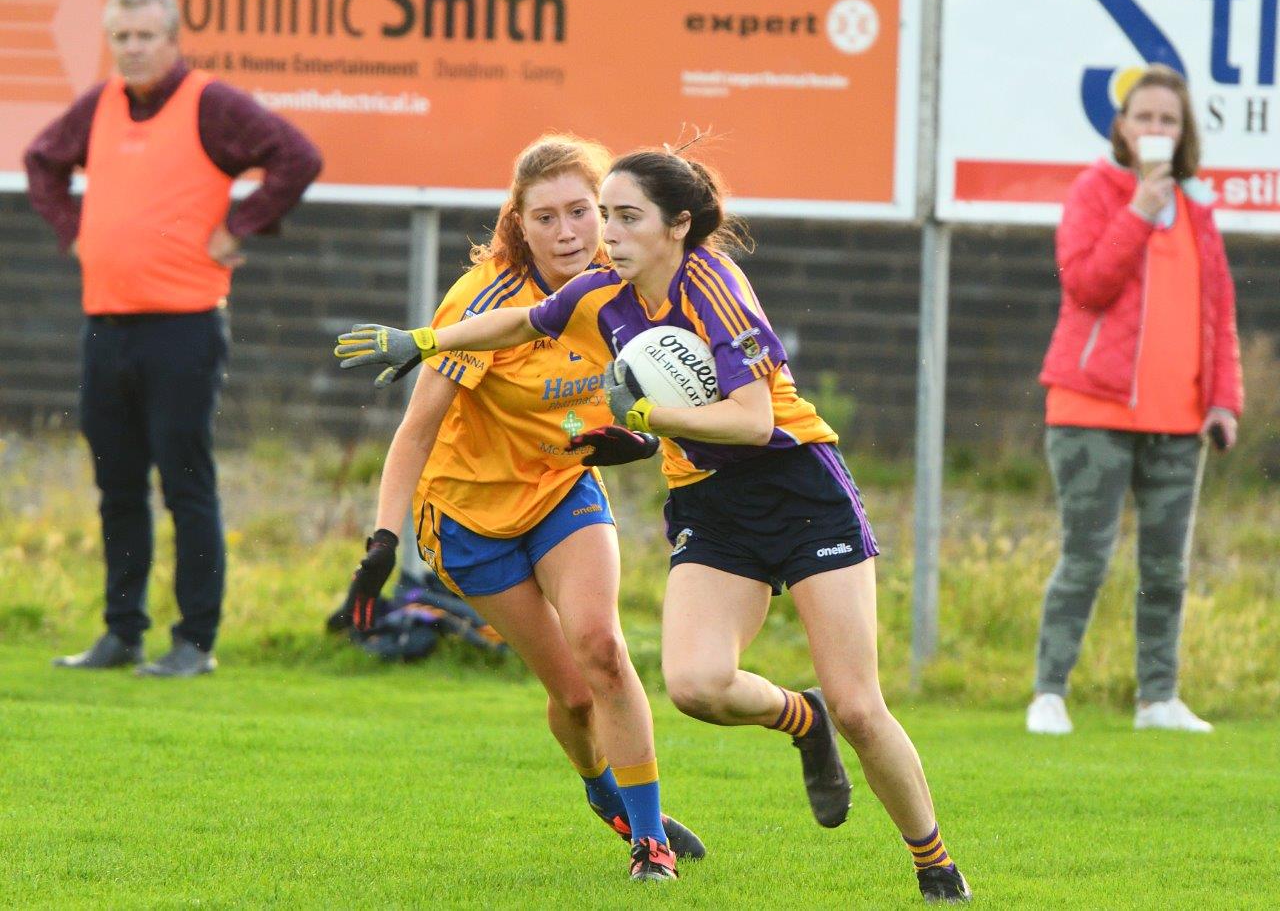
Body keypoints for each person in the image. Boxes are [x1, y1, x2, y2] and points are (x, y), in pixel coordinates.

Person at [337, 146, 972, 904]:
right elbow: (522, 323)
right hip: (707, 502)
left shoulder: (719, 288)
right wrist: (426, 341)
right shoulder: (605, 290)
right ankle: (800, 716)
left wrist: (645, 419)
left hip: (798, 487)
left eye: (617, 215)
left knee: (863, 706)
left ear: (677, 226)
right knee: (696, 686)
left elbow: (752, 418)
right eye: (598, 215)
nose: (600, 232)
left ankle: (935, 866)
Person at [335, 135, 703, 882]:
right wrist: (382, 541)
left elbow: (623, 398)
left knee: (601, 646)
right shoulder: (484, 300)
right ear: (518, 222)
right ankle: (605, 792)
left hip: (562, 490)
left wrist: (630, 436)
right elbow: (416, 432)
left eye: (581, 212)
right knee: (571, 697)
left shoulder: (623, 284)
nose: (567, 232)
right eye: (545, 218)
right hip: (470, 519)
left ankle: (648, 841)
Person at [25, 0, 321, 676]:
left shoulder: (209, 104)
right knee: (117, 485)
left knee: (186, 484)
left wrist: (239, 227)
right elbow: (42, 163)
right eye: (120, 38)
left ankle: (195, 640)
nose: (131, 48)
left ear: (172, 40)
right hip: (106, 325)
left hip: (184, 328)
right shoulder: (97, 106)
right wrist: (74, 232)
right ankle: (121, 631)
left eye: (144, 37)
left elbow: (296, 157)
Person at [1028, 65, 1243, 735]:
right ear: (1122, 127)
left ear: (1183, 135)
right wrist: (1138, 213)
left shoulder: (1199, 211)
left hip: (1179, 421)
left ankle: (1158, 699)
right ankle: (1049, 693)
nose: (1156, 129)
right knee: (1086, 558)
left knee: (1165, 568)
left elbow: (1220, 315)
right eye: (1145, 117)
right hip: (1091, 412)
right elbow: (1086, 284)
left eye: (1168, 120)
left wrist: (1224, 400)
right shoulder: (1097, 192)